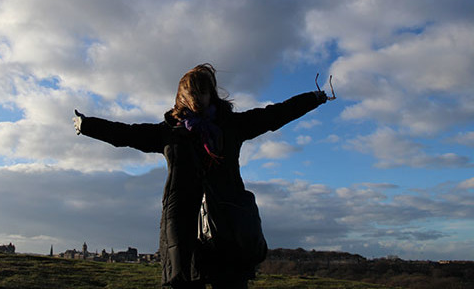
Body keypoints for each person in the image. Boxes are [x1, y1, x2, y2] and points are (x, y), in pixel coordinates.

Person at [73, 64, 330, 288]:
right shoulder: (169, 133)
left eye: (202, 91)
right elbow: (125, 134)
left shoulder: (231, 126)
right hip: (183, 225)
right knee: (184, 282)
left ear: (211, 94)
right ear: (180, 97)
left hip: (227, 223)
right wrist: (87, 125)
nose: (197, 97)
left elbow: (276, 114)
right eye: (190, 92)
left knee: (230, 282)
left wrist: (313, 98)